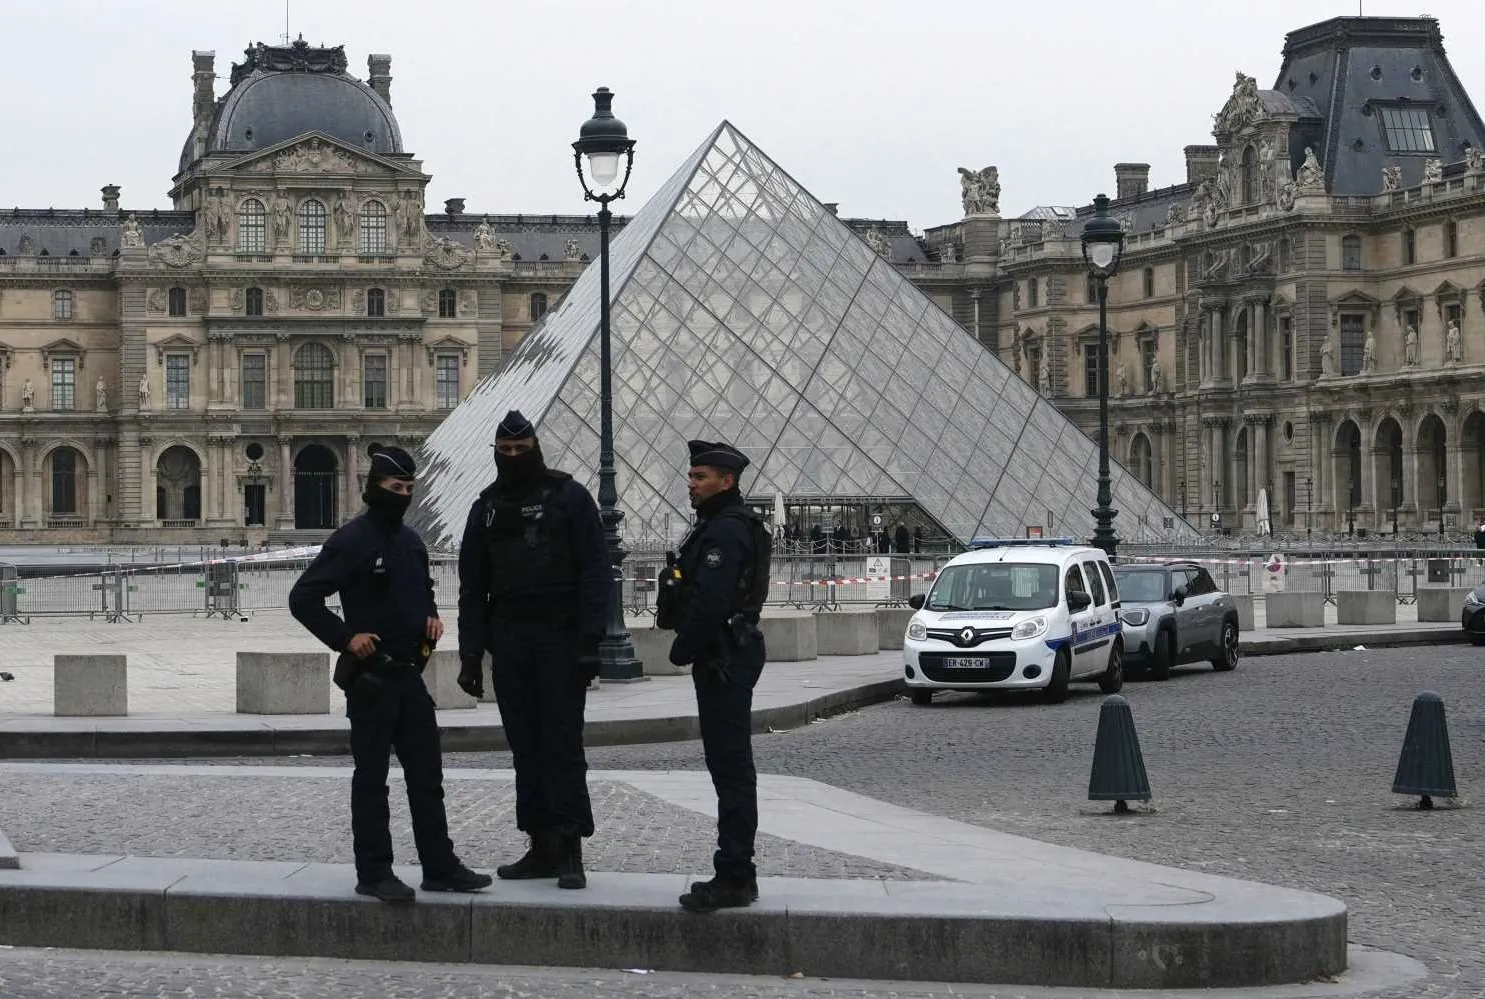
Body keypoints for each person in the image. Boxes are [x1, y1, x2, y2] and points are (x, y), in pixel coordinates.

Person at [288, 446, 492, 903]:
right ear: (373, 489)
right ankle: (374, 871)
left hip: (409, 675)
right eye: (395, 487)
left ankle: (439, 865)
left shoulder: (413, 541)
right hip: (371, 678)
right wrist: (345, 638)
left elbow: (422, 589)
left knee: (428, 776)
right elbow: (302, 598)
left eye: (408, 488)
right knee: (372, 779)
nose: (403, 495)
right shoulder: (350, 540)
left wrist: (431, 617)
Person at [455, 410, 611, 890]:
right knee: (525, 747)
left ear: (536, 448)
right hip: (510, 640)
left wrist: (591, 643)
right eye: (505, 451)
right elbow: (471, 587)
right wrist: (470, 655)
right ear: (496, 453)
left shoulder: (570, 497)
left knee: (562, 743)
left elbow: (595, 573)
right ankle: (540, 843)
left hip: (561, 639)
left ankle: (570, 846)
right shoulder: (485, 507)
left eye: (521, 450)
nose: (513, 457)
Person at [658, 440, 771, 913]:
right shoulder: (721, 524)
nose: (691, 484)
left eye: (700, 477)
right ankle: (739, 871)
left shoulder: (725, 530)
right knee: (729, 765)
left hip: (723, 657)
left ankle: (734, 875)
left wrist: (682, 648)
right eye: (691, 476)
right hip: (727, 653)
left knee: (730, 768)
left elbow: (711, 601)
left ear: (727, 481)